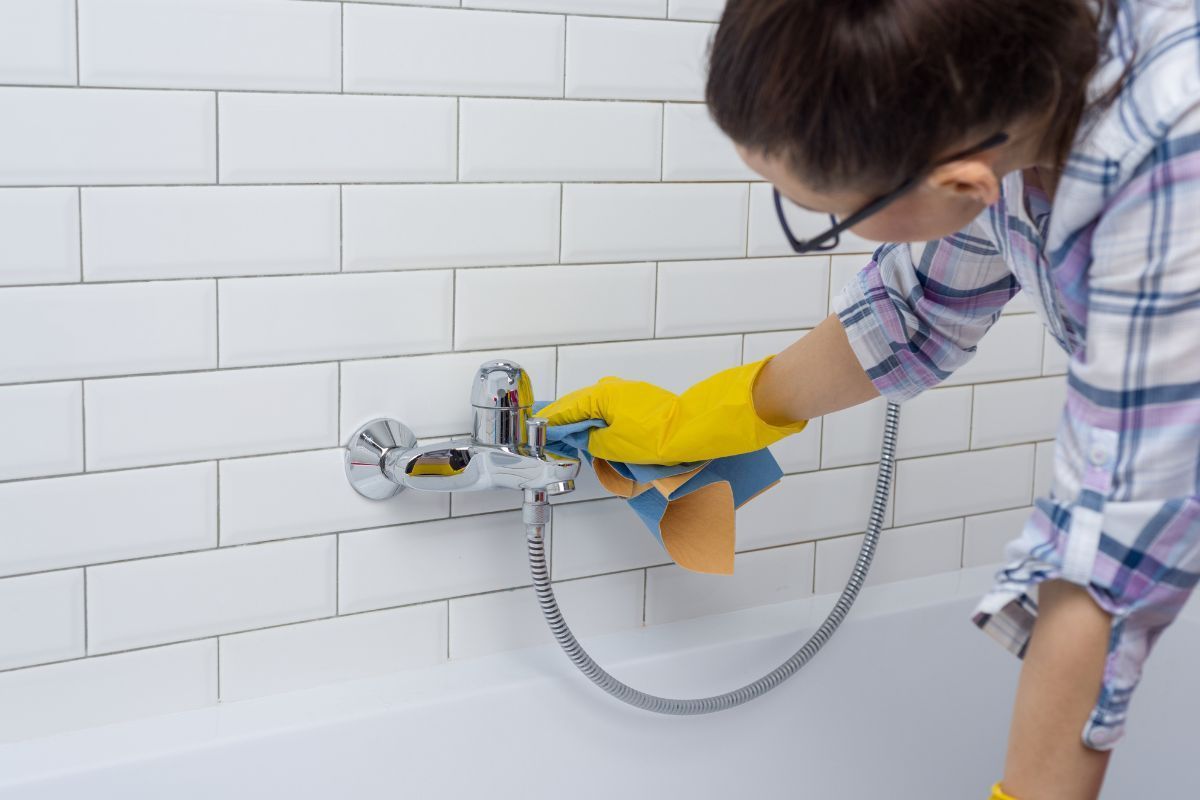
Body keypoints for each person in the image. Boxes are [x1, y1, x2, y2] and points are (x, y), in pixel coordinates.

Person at [533, 1, 1200, 797]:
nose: (824, 222)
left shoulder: (1170, 152)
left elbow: (1114, 547)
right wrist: (704, 417)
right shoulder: (991, 93)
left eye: (827, 216)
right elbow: (914, 311)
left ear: (961, 180)